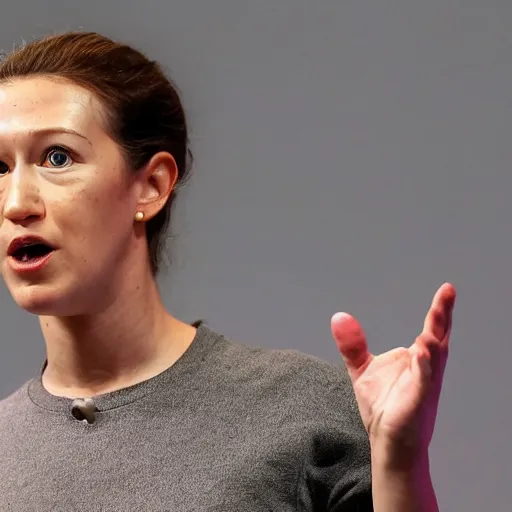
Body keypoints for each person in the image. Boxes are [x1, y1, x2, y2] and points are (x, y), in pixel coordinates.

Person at [0, 31, 456, 511]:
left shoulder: (302, 409)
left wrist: (401, 466)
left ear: (151, 186)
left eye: (58, 157)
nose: (16, 203)